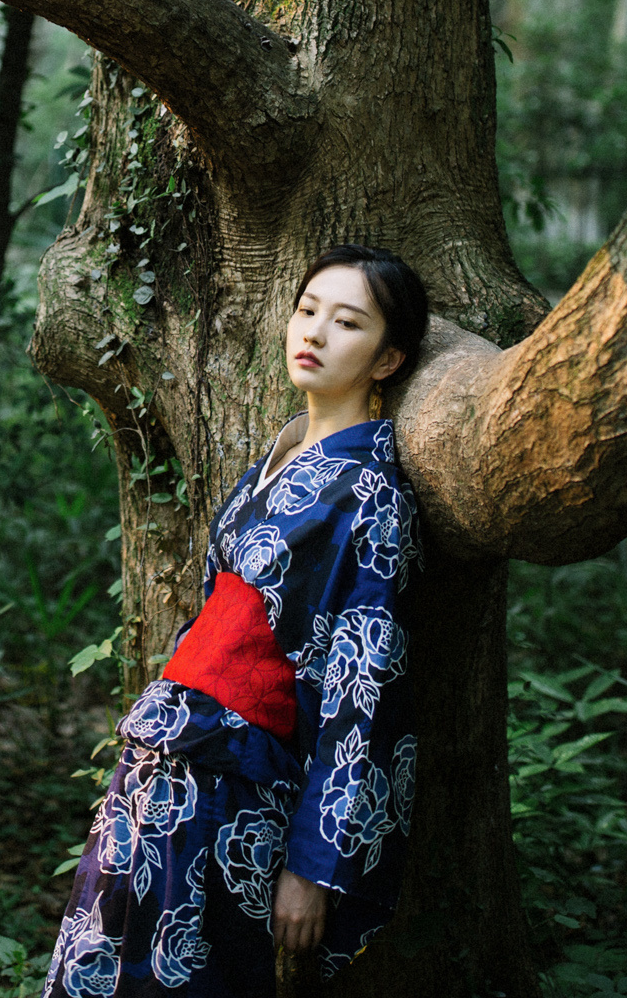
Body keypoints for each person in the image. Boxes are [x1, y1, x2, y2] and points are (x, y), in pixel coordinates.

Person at [42, 244, 429, 997]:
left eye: (347, 322)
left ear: (388, 360)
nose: (313, 332)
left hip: (235, 789)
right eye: (307, 310)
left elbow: (365, 690)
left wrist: (314, 867)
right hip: (161, 762)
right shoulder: (281, 456)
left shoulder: (372, 496)